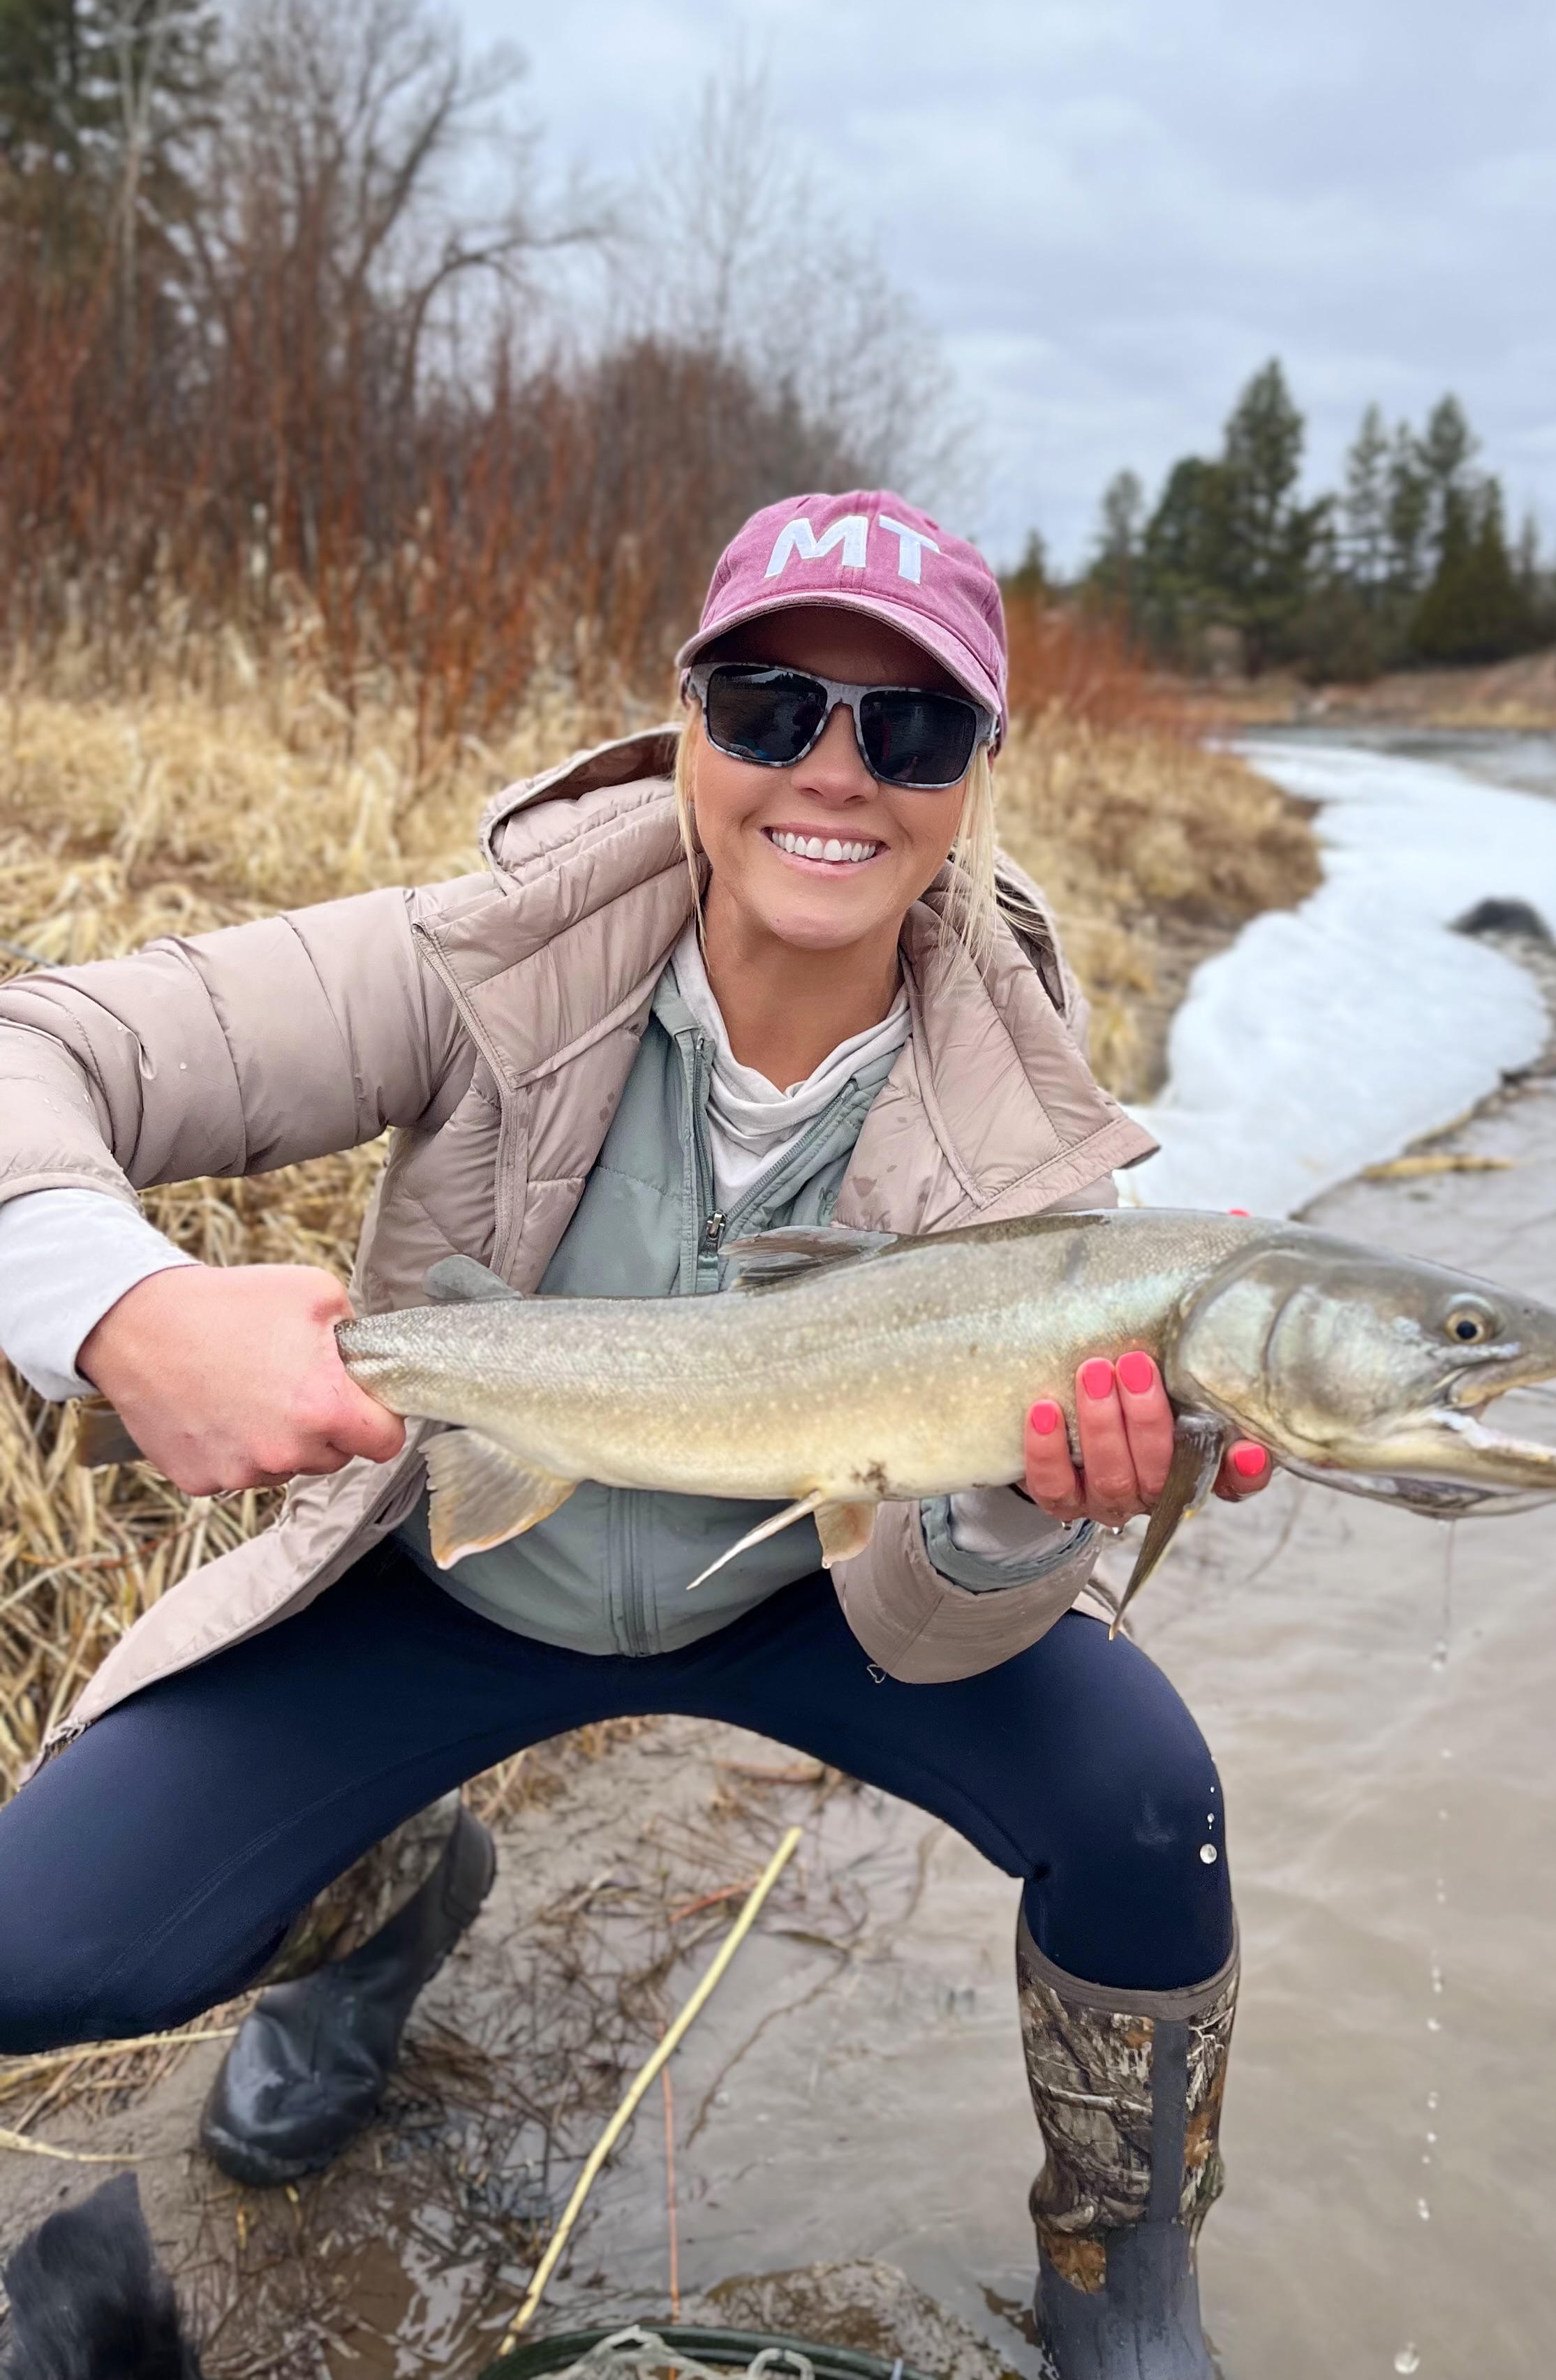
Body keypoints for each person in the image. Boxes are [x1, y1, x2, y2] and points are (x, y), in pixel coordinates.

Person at [0, 491, 1273, 2380]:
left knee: (1144, 1800)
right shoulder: (481, 953)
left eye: (906, 728)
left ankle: (1121, 2254)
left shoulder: (1032, 1133)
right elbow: (43, 1050)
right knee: (45, 1948)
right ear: (684, 721)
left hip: (815, 1592)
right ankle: (392, 1903)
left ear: (978, 774)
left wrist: (1019, 1515)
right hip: (456, 1559)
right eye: (771, 706)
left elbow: (931, 1628)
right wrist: (122, 1307)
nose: (832, 772)